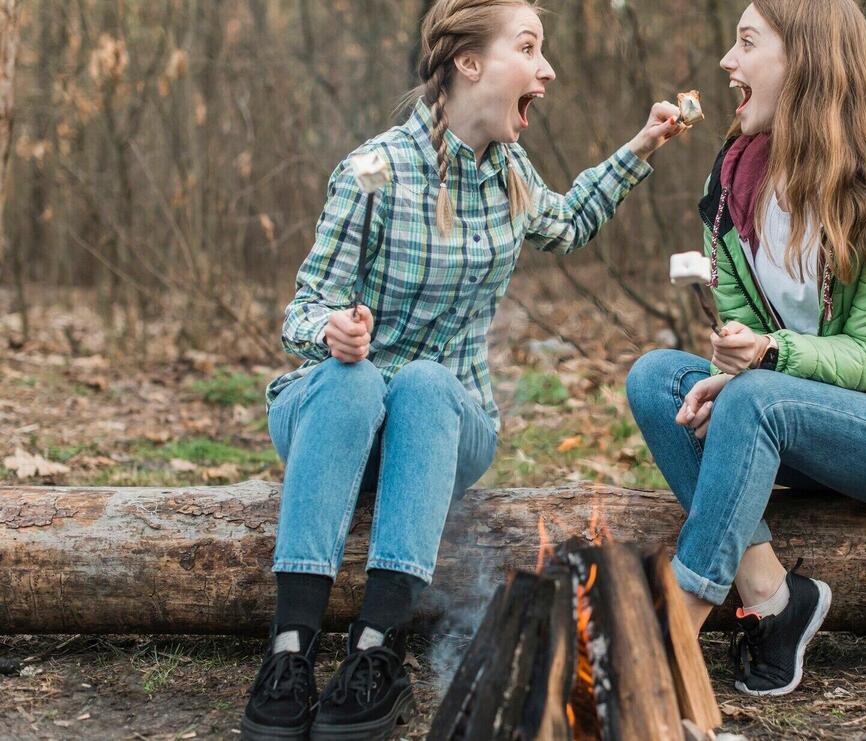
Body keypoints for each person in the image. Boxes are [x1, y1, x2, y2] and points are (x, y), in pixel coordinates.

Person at [241, 1, 684, 737]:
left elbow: (569, 221)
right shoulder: (372, 171)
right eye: (530, 47)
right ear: (468, 64)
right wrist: (333, 331)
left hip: (445, 424)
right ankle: (289, 650)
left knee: (423, 380)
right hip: (336, 413)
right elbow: (301, 310)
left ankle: (377, 649)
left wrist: (642, 144)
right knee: (356, 381)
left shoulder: (510, 173)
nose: (547, 70)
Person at [626, 0, 866, 698]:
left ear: (806, 62)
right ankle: (772, 598)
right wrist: (736, 360)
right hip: (788, 417)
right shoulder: (731, 186)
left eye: (746, 43)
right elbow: (745, 341)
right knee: (654, 379)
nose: (728, 62)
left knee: (758, 396)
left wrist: (764, 361)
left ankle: (674, 624)